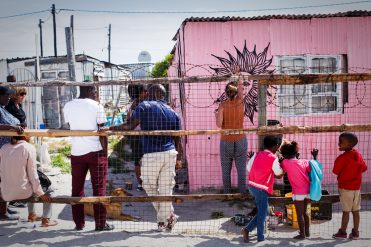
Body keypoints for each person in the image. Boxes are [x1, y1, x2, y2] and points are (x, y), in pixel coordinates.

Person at [109, 84, 183, 232]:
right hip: (170, 154)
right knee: (165, 189)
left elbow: (130, 126)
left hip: (152, 155)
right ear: (162, 95)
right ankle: (168, 217)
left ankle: (164, 219)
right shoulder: (173, 112)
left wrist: (110, 128)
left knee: (149, 186)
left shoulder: (144, 105)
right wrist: (179, 158)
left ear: (151, 93)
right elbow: (178, 140)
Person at [63, 85, 113, 231]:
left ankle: (79, 223)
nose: (96, 94)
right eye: (95, 91)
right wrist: (105, 153)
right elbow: (102, 131)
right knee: (99, 188)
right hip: (95, 152)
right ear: (90, 91)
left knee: (77, 189)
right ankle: (100, 224)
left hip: (77, 151)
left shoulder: (68, 105)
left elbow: (70, 125)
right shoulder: (96, 105)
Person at [0, 136, 57, 227]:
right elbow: (33, 174)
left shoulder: (4, 148)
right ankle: (46, 220)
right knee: (50, 189)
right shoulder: (28, 147)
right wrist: (41, 193)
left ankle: (32, 214)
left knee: (31, 183)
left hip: (6, 193)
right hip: (23, 192)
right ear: (25, 136)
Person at [241, 136, 283, 242]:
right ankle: (257, 235)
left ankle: (248, 230)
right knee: (262, 214)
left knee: (263, 212)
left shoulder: (256, 154)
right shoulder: (273, 158)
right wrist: (283, 169)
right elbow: (278, 174)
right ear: (275, 147)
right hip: (261, 189)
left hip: (252, 186)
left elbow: (248, 168)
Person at [215, 69, 247, 193]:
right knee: (241, 169)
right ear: (236, 92)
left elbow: (219, 124)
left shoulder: (222, 105)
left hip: (226, 140)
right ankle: (242, 193)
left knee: (226, 169)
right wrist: (237, 75)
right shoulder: (240, 101)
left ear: (226, 93)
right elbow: (240, 86)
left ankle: (227, 194)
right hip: (240, 138)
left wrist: (216, 115)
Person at [279, 140, 318, 239]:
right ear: (296, 153)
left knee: (299, 214)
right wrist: (314, 156)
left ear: (284, 154)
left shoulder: (285, 162)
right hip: (308, 191)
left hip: (298, 192)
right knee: (305, 213)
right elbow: (312, 168)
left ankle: (302, 234)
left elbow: (280, 169)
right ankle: (307, 232)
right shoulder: (305, 161)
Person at [332, 132, 367, 240]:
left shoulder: (342, 158)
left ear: (349, 144)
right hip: (357, 188)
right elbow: (364, 168)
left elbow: (335, 171)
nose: (339, 144)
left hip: (345, 188)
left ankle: (343, 232)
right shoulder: (358, 155)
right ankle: (355, 232)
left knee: (346, 211)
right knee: (356, 211)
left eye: (341, 142)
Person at [0, 86, 24, 221]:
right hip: (1, 150)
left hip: (6, 150)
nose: (8, 98)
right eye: (6, 96)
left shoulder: (2, 109)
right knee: (3, 181)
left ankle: (3, 208)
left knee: (5, 179)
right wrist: (12, 127)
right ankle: (2, 211)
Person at [5, 87, 28, 209]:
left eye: (25, 94)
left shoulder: (18, 106)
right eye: (21, 94)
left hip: (21, 139)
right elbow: (9, 124)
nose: (23, 96)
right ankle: (12, 200)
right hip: (12, 141)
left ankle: (16, 199)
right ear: (15, 95)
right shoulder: (9, 107)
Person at [126, 84, 148, 191]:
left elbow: (127, 120)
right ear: (140, 93)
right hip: (143, 135)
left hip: (134, 135)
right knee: (145, 159)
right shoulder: (144, 104)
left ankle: (140, 184)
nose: (146, 93)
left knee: (137, 160)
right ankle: (145, 182)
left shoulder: (130, 105)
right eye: (145, 91)